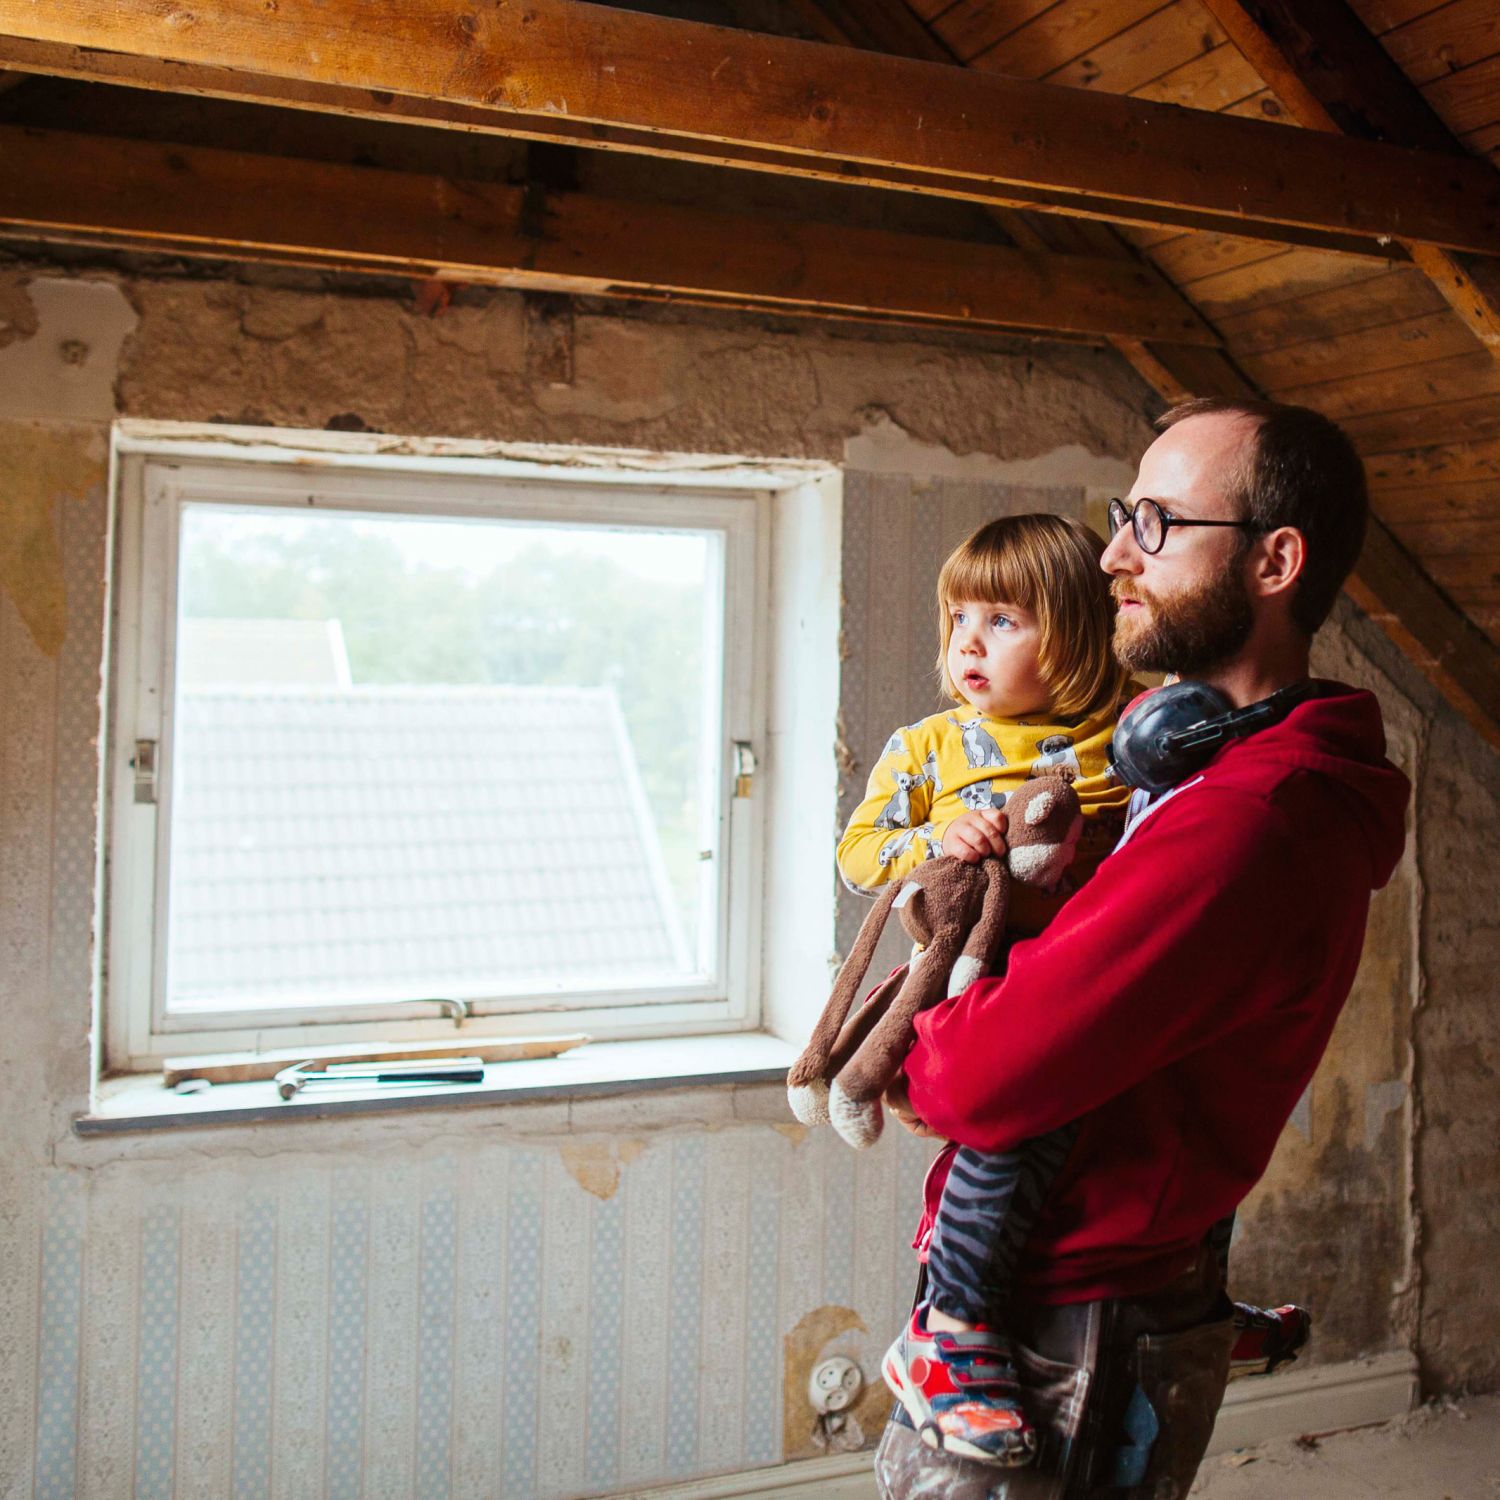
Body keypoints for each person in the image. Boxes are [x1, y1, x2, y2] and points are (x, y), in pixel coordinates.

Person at [874, 398, 1411, 1499]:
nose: (1115, 553)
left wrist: (918, 1036)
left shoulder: (1247, 820)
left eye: (1158, 523)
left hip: (1071, 1325)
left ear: (1276, 560)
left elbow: (971, 1083)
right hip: (1103, 1280)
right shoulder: (1203, 769)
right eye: (1126, 516)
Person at [839, 512, 1136, 1465]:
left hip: (1093, 971)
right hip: (979, 976)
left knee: (1123, 1143)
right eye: (958, 618)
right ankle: (949, 1328)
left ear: (1080, 635)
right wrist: (937, 843)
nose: (968, 641)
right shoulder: (929, 747)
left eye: (1003, 620)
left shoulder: (1119, 733)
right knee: (1020, 1135)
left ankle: (1175, 1294)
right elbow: (859, 855)